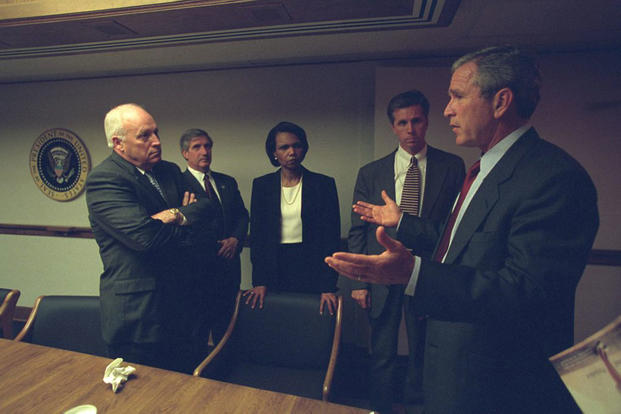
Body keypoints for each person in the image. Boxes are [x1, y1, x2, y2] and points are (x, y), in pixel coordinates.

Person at [326, 46, 599, 413]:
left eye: (457, 96)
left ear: (501, 101)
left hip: (491, 385)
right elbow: (459, 242)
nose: (447, 110)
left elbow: (526, 293)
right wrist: (403, 223)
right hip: (453, 371)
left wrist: (414, 274)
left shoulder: (554, 178)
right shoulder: (484, 168)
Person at [347, 90, 464, 412]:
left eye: (416, 121)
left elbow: (454, 230)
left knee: (423, 352)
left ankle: (418, 408)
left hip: (425, 272)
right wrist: (359, 282)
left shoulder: (452, 167)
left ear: (426, 122)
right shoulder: (371, 172)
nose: (410, 129)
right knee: (381, 352)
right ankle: (379, 408)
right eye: (402, 123)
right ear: (393, 127)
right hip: (382, 274)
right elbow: (358, 230)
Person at [86, 103, 219, 373]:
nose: (157, 142)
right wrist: (185, 217)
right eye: (144, 135)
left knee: (184, 395)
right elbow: (145, 237)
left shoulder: (169, 171)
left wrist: (173, 214)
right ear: (118, 143)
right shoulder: (105, 179)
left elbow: (208, 208)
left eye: (156, 132)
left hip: (183, 311)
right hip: (139, 319)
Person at [245, 121, 340, 314]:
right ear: (274, 153)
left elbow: (331, 237)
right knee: (276, 323)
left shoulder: (323, 184)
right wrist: (259, 281)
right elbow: (258, 236)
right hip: (274, 265)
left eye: (296, 145)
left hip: (311, 265)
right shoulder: (262, 186)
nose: (292, 152)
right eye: (284, 147)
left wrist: (328, 285)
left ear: (304, 149)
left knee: (308, 321)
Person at [180, 128, 249, 348]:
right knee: (196, 333)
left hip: (228, 269)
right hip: (196, 272)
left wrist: (236, 240)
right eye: (197, 147)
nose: (204, 151)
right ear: (185, 153)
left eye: (208, 146)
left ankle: (226, 377)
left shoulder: (226, 182)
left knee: (227, 329)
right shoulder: (177, 185)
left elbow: (242, 215)